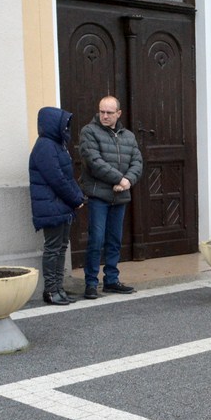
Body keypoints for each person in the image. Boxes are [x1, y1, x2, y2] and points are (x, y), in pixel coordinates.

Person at [78, 95, 143, 299]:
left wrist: (128, 181)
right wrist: (120, 179)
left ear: (118, 113)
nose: (104, 116)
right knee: (96, 240)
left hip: (120, 196)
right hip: (99, 195)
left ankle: (112, 280)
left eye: (109, 112)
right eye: (102, 111)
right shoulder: (89, 132)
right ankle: (90, 282)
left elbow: (137, 161)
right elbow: (94, 161)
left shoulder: (128, 136)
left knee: (115, 240)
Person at [28, 106, 86, 306]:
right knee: (53, 248)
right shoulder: (45, 146)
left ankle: (59, 288)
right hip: (52, 206)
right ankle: (51, 291)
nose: (66, 128)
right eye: (64, 124)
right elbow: (57, 179)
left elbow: (67, 177)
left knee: (61, 248)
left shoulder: (57, 144)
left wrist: (78, 197)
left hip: (61, 206)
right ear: (53, 124)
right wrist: (75, 199)